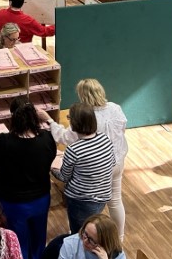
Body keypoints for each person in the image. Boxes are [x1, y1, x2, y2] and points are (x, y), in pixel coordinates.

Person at [42, 78, 128, 239]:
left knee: (87, 210)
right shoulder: (115, 108)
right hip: (117, 159)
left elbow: (64, 137)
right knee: (116, 200)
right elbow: (123, 128)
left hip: (94, 171)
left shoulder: (85, 117)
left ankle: (80, 236)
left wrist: (50, 122)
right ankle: (120, 237)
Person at [0, 96, 56, 259]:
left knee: (17, 243)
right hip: (40, 200)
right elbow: (50, 157)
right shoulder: (46, 138)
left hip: (12, 203)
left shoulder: (3, 141)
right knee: (39, 239)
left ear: (13, 117)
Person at [50, 104, 115, 233]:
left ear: (74, 124)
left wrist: (52, 168)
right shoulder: (106, 139)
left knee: (79, 234)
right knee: (91, 229)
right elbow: (111, 163)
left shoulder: (74, 149)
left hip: (80, 200)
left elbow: (64, 177)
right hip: (102, 197)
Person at [57, 214, 127, 259]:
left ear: (104, 243)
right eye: (85, 234)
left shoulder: (117, 255)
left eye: (91, 240)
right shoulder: (70, 244)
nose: (85, 241)